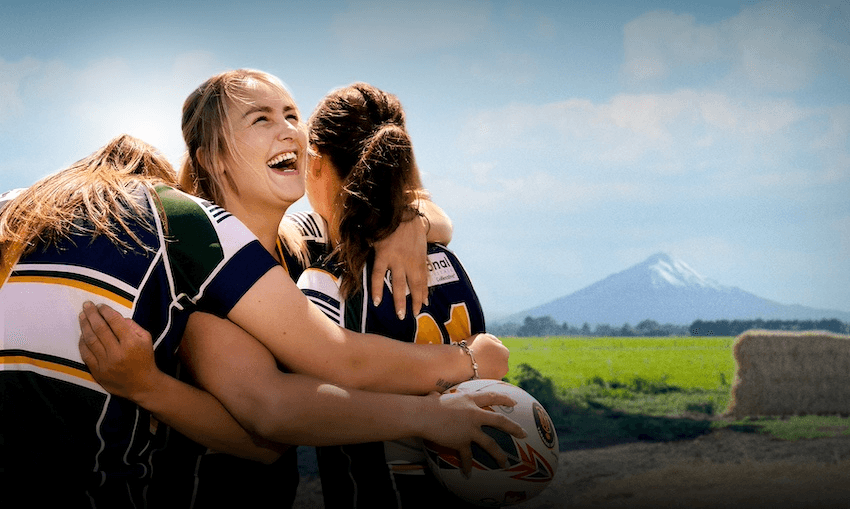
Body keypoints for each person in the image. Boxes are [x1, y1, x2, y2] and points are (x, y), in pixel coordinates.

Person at [66, 70, 520, 507]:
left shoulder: (299, 244)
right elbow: (271, 423)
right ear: (211, 158)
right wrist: (465, 367)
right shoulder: (194, 265)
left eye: (290, 115)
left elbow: (423, 213)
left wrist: (408, 222)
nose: (289, 131)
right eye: (261, 118)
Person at [287, 82, 489, 508]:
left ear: (316, 162)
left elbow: (312, 408)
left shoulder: (326, 279)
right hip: (464, 485)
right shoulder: (449, 262)